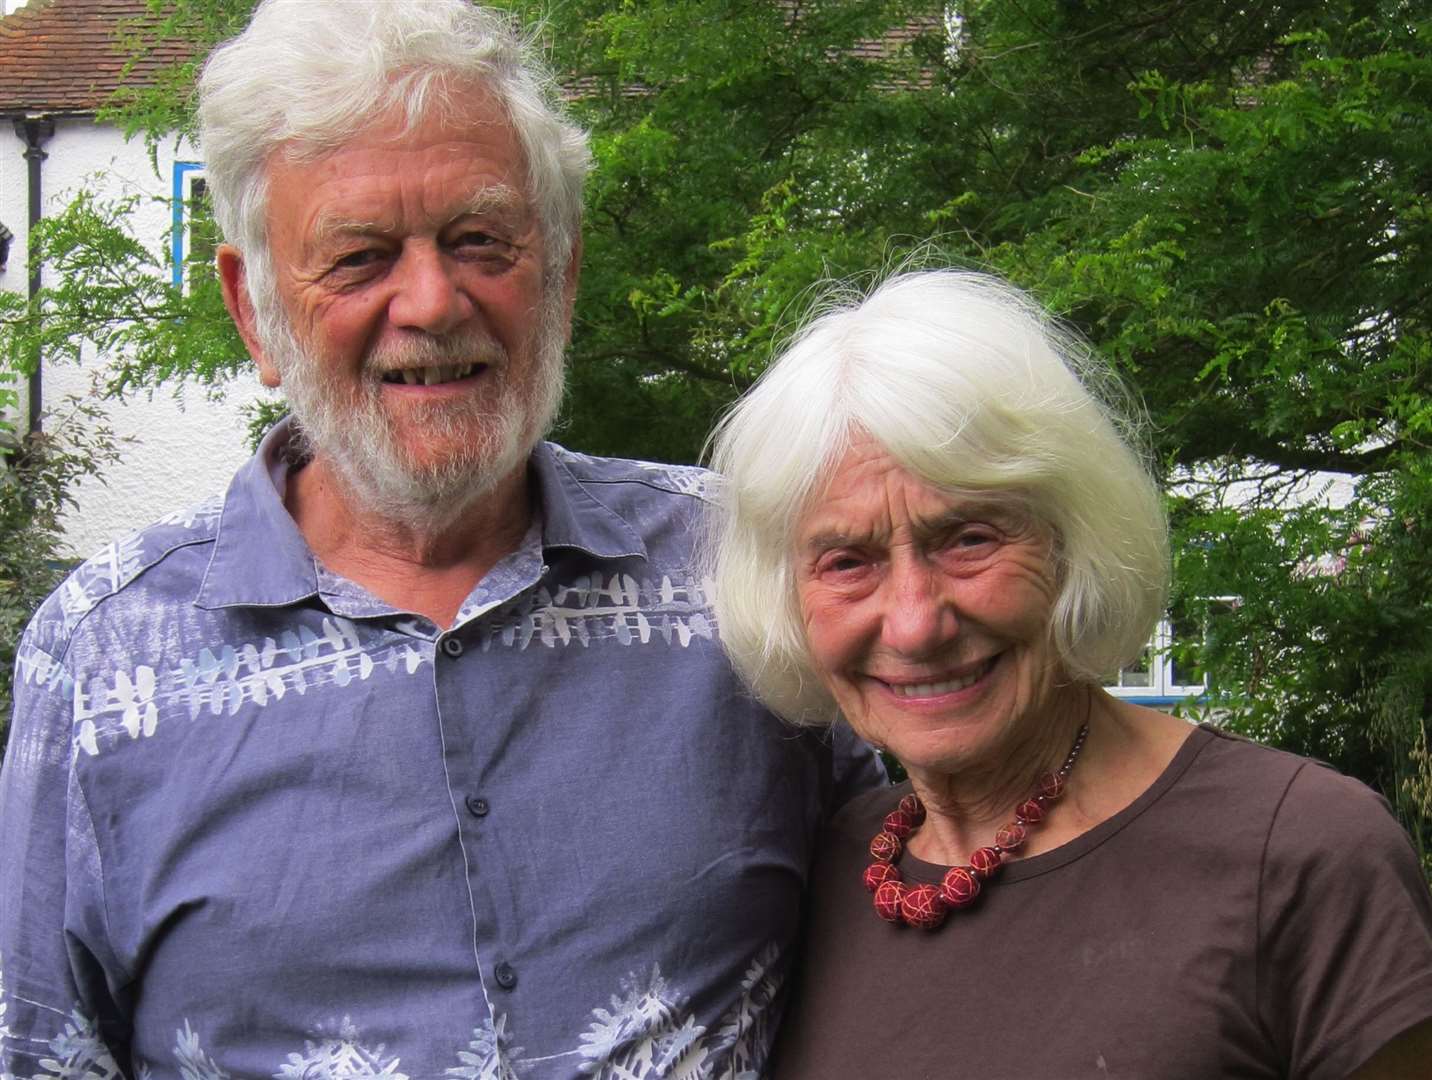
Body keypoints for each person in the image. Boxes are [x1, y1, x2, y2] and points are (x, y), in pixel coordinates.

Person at [0, 2, 881, 1076]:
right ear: (254, 307)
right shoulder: (104, 661)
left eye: (479, 241)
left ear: (558, 274)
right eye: (360, 257)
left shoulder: (740, 571)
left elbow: (938, 891)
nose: (431, 302)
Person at [707, 269, 1432, 1078]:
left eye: (969, 538)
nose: (914, 621)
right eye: (848, 562)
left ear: (1070, 542)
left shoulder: (1304, 855)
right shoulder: (823, 869)